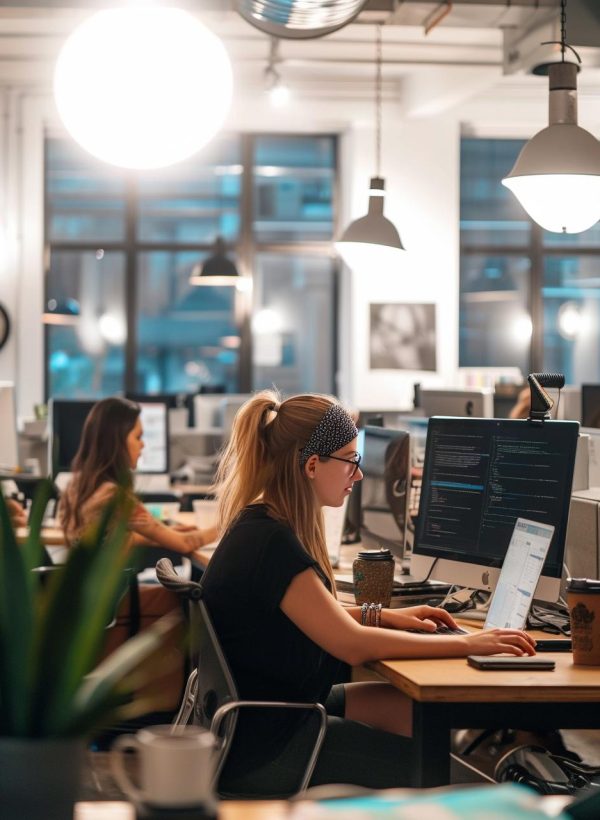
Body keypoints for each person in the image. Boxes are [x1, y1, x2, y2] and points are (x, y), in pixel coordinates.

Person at [200, 390, 536, 796]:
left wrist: (386, 615)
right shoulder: (271, 542)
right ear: (311, 465)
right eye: (350, 460)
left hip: (268, 717)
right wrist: (471, 645)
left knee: (412, 709)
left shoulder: (261, 523)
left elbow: (319, 617)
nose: (357, 475)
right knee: (469, 786)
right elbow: (353, 647)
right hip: (270, 746)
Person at [58, 397, 215, 554]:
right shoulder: (114, 496)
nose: (143, 444)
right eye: (138, 437)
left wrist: (167, 532)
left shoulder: (75, 486)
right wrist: (227, 525)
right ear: (117, 440)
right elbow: (186, 543)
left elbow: (113, 541)